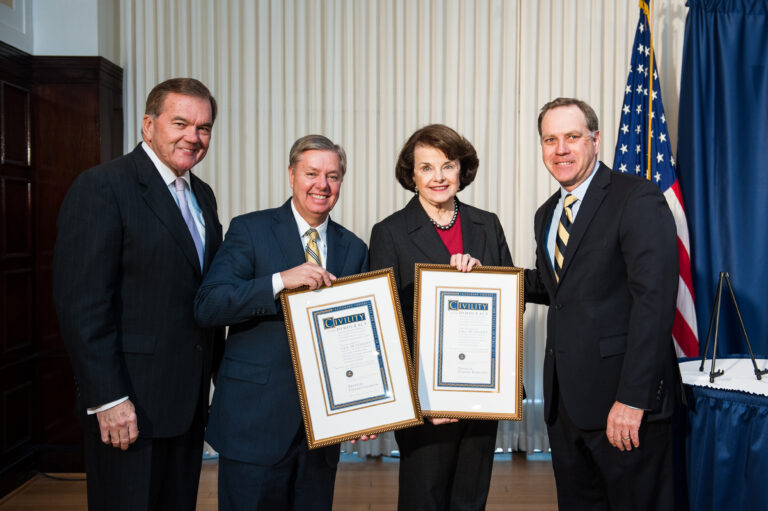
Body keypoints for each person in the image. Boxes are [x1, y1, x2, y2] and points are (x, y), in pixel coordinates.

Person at [53, 78, 223, 510]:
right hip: (128, 406)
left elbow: (204, 294)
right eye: (181, 123)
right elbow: (82, 305)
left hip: (185, 406)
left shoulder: (202, 194)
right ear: (148, 125)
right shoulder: (103, 187)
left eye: (203, 128)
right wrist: (108, 398)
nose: (193, 137)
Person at [194, 134, 369, 510]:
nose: (322, 185)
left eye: (333, 176)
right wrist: (278, 282)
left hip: (321, 431)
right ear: (291, 175)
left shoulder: (354, 248)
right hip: (254, 420)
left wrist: (363, 409)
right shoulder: (250, 230)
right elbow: (209, 305)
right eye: (312, 173)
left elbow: (359, 338)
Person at [524, 97, 681, 510]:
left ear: (596, 140)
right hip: (565, 408)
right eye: (550, 139)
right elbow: (557, 288)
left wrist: (633, 399)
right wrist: (485, 279)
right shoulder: (546, 215)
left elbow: (655, 301)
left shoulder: (636, 198)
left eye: (572, 137)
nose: (560, 149)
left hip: (623, 406)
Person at [369, 124, 514, 511]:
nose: (438, 177)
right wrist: (417, 400)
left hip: (483, 394)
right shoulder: (390, 232)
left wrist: (485, 279)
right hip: (427, 400)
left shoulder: (488, 223)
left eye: (447, 166)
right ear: (411, 175)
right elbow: (387, 324)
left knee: (470, 499)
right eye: (426, 167)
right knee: (424, 498)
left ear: (461, 170)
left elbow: (510, 305)